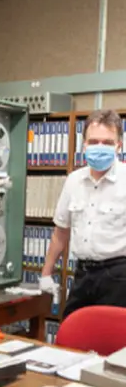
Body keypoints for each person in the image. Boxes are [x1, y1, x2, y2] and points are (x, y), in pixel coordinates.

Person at [41, 108, 126, 319]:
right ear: (84, 144)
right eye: (94, 141)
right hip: (82, 273)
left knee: (112, 344)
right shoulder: (74, 181)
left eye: (107, 142)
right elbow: (61, 233)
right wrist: (46, 274)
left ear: (119, 145)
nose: (100, 147)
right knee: (71, 333)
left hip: (119, 276)